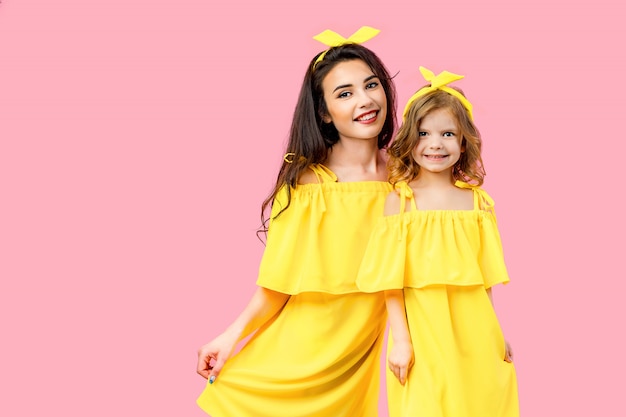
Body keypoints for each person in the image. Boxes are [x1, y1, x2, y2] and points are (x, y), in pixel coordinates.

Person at [196, 26, 397, 417]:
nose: (366, 100)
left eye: (371, 85)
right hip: (300, 357)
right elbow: (277, 283)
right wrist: (230, 336)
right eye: (345, 93)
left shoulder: (407, 178)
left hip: (355, 364)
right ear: (324, 112)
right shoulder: (309, 183)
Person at [357, 66, 519, 416]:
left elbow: (484, 279)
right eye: (424, 133)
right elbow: (390, 283)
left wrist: (497, 331)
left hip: (475, 331)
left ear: (464, 142)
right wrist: (401, 341)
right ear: (409, 140)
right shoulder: (399, 202)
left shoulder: (479, 204)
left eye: (448, 133)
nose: (435, 144)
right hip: (423, 332)